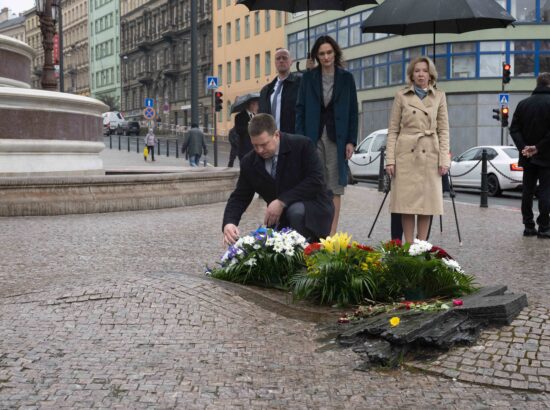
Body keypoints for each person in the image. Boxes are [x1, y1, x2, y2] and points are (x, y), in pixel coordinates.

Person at [222, 114, 334, 245]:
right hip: (281, 219)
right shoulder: (249, 162)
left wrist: (282, 201)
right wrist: (229, 223)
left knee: (296, 211)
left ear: (276, 135)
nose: (259, 150)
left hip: (313, 210)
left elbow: (316, 181)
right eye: (255, 145)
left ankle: (307, 254)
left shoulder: (302, 145)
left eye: (264, 144)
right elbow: (240, 196)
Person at [295, 35, 358, 235]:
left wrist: (351, 140)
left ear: (335, 53)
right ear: (316, 56)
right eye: (321, 54)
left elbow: (353, 111)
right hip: (312, 138)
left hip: (336, 139)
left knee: (335, 187)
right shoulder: (308, 77)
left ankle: (331, 234)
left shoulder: (346, 78)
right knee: (314, 184)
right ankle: (315, 230)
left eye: (329, 52)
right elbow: (300, 110)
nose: (326, 57)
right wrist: (301, 141)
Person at [385, 56, 450, 244]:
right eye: (417, 71)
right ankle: (408, 245)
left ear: (430, 74)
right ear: (411, 75)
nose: (421, 74)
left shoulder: (439, 96)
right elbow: (393, 130)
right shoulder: (401, 96)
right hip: (406, 154)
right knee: (406, 204)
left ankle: (421, 246)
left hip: (430, 153)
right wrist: (390, 159)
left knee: (427, 204)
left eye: (424, 70)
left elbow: (444, 130)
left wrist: (444, 160)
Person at [509, 72, 550, 238]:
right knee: (546, 192)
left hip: (527, 156)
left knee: (527, 191)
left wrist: (524, 147)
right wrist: (538, 147)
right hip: (547, 156)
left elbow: (514, 129)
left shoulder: (522, 104)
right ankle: (544, 227)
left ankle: (528, 226)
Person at [259, 48, 301, 134]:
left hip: (293, 139)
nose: (281, 60)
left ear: (291, 62)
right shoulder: (266, 90)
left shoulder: (300, 84)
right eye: (278, 58)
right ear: (274, 63)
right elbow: (262, 116)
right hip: (270, 140)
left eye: (284, 58)